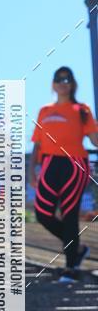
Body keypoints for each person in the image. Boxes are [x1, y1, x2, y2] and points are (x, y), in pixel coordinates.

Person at [29, 66, 98, 283]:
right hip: (49, 163)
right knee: (42, 213)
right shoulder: (44, 111)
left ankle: (71, 268)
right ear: (53, 84)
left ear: (72, 84)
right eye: (59, 78)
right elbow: (37, 145)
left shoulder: (82, 109)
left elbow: (95, 140)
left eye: (67, 79)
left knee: (69, 214)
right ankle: (76, 248)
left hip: (75, 163)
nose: (63, 82)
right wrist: (31, 170)